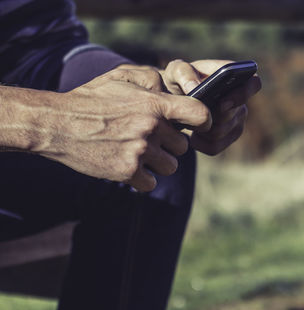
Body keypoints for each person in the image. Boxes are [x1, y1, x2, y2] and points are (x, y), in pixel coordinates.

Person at [0, 0, 261, 309]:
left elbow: (49, 45)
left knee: (154, 146)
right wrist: (53, 121)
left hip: (39, 50)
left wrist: (161, 95)